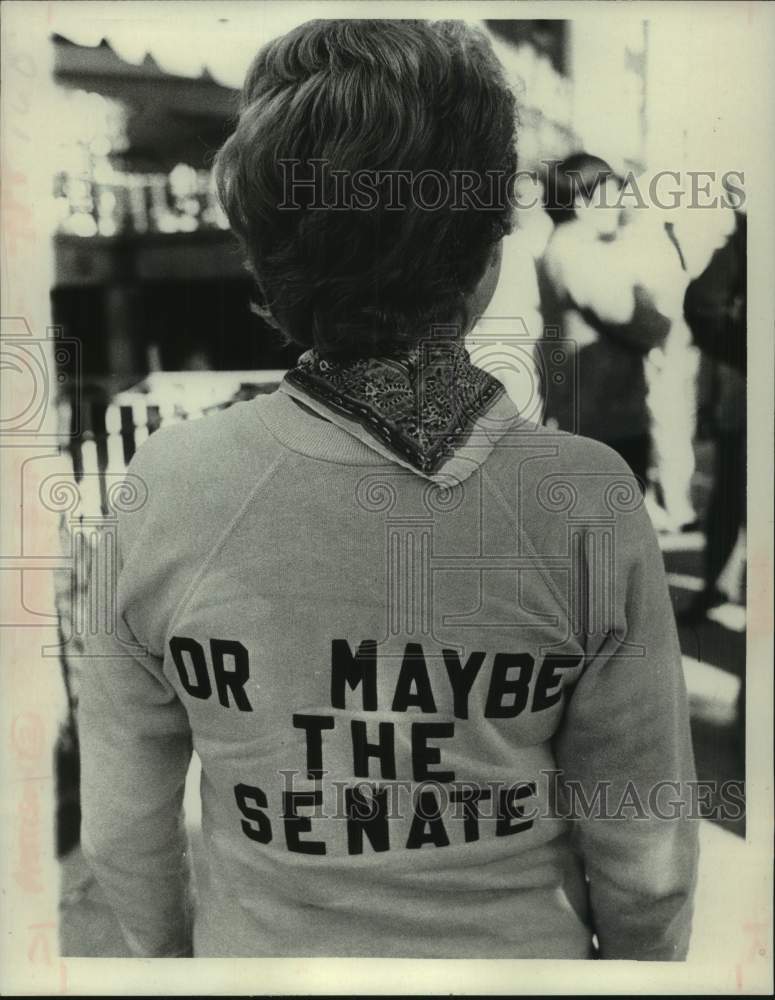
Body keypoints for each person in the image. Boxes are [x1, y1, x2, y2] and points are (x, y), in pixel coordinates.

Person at [77, 20, 698, 960]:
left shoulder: (165, 487)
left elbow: (123, 830)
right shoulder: (586, 498)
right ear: (488, 252)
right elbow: (646, 854)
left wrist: (177, 961)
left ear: (261, 252)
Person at [537, 154, 673, 488]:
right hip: (601, 411)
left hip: (604, 406)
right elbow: (631, 315)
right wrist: (656, 314)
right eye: (610, 196)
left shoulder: (579, 246)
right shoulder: (574, 249)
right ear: (581, 204)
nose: (619, 204)